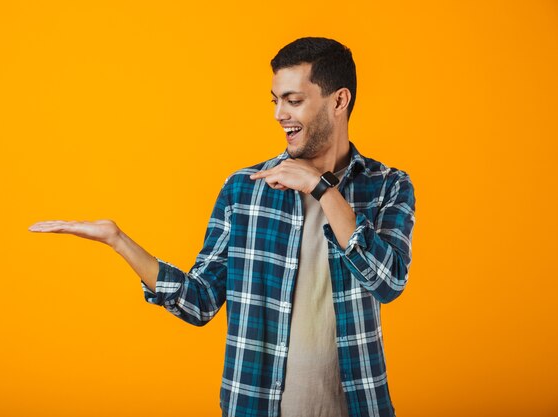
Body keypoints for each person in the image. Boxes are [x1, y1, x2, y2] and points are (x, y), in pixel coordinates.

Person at [29, 37, 416, 417]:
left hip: (360, 406)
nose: (279, 114)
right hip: (254, 405)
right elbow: (199, 301)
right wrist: (118, 241)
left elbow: (388, 282)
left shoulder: (387, 186)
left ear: (338, 101)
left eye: (294, 101)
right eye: (276, 100)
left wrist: (322, 189)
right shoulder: (243, 191)